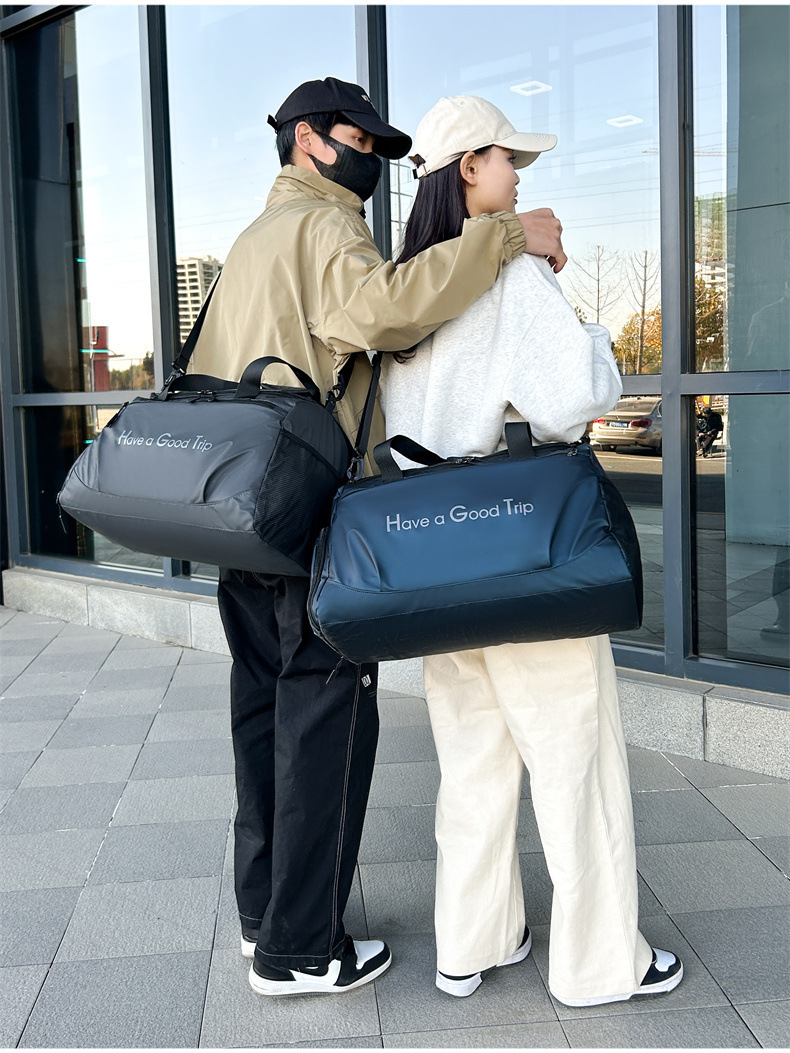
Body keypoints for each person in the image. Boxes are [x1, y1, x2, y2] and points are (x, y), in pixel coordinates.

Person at [186, 77, 568, 998]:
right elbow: (383, 309)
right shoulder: (325, 226)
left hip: (238, 516)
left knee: (261, 717)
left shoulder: (254, 237)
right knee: (327, 720)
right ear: (308, 140)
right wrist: (506, 237)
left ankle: (264, 913)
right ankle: (300, 949)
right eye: (361, 141)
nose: (373, 160)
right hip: (300, 512)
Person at [381, 95, 684, 1008]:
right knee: (572, 759)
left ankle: (471, 944)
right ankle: (599, 963)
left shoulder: (408, 289)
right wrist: (578, 315)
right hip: (520, 547)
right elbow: (573, 399)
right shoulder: (509, 276)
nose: (520, 178)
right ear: (470, 167)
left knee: (473, 762)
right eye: (511, 159)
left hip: (434, 561)